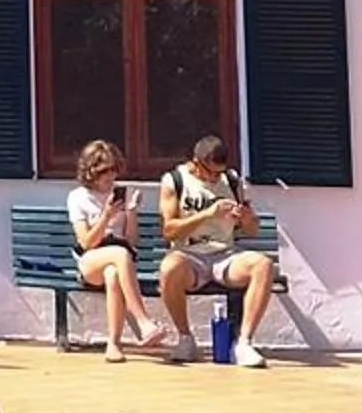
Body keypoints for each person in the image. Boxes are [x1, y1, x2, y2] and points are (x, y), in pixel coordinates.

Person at [159, 134, 275, 367]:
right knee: (169, 267)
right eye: (210, 173)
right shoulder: (175, 180)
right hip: (189, 255)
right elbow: (170, 231)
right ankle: (185, 338)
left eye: (218, 173)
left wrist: (246, 217)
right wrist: (208, 214)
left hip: (225, 255)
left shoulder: (231, 181)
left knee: (263, 265)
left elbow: (252, 230)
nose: (214, 178)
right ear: (195, 162)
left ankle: (244, 343)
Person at [65, 138, 168, 361]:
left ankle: (113, 344)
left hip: (118, 261)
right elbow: (86, 243)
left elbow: (130, 242)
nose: (110, 176)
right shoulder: (78, 198)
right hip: (90, 260)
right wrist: (106, 216)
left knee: (113, 274)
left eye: (114, 169)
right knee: (118, 255)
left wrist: (131, 212)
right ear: (90, 170)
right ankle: (143, 323)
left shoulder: (122, 193)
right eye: (104, 170)